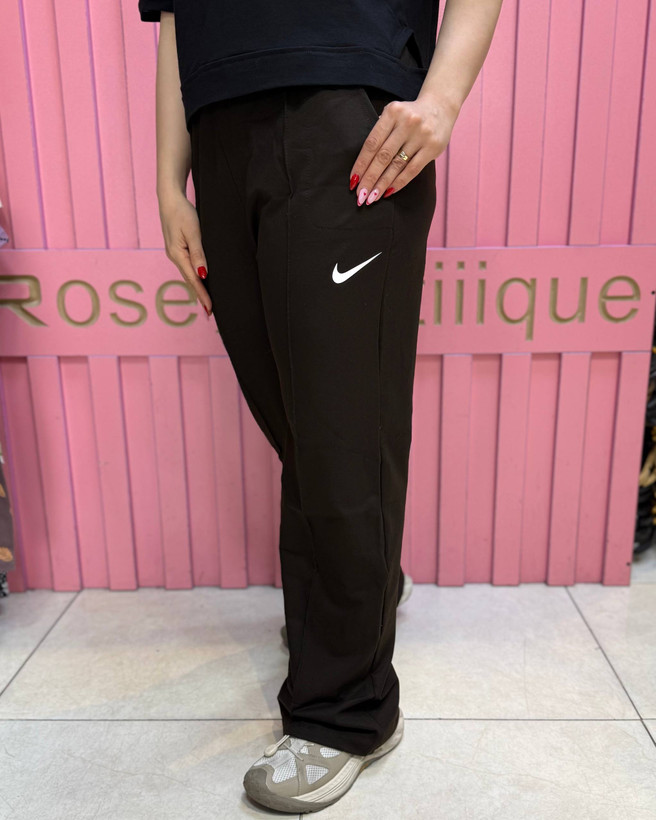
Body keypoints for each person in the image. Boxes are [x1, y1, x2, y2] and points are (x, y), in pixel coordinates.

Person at [138, 0, 503, 813]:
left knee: (342, 433)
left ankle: (349, 714)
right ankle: (360, 587)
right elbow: (173, 18)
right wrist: (168, 182)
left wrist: (442, 99)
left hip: (347, 111)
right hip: (220, 125)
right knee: (303, 425)